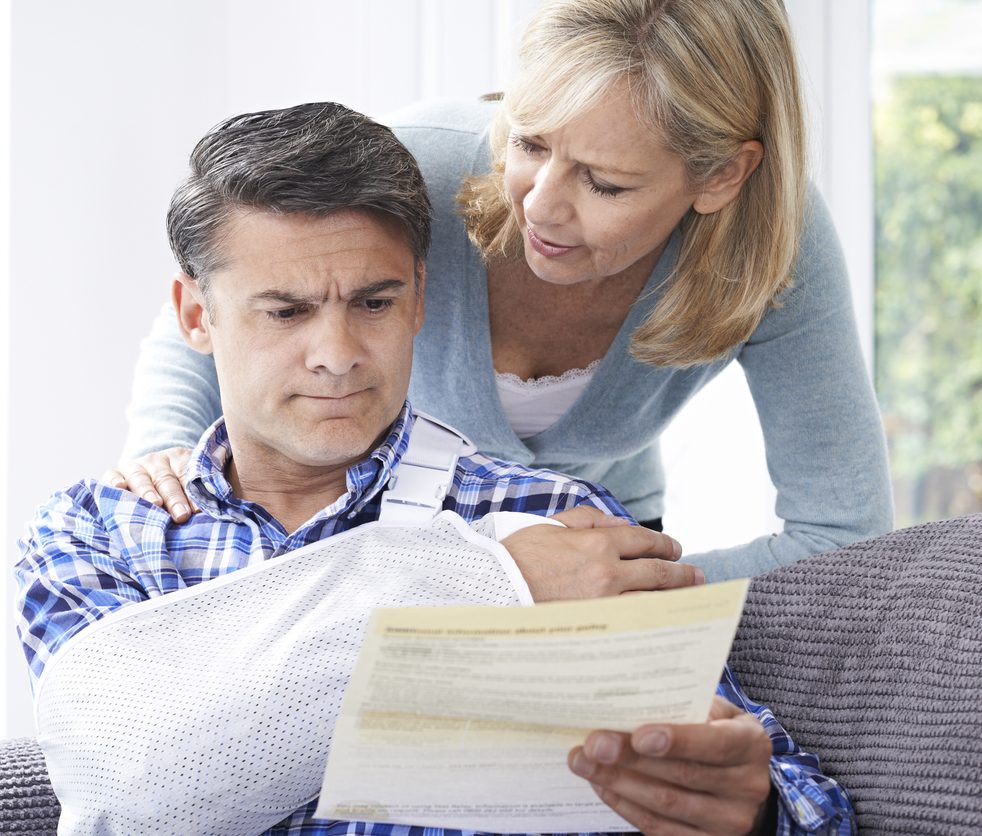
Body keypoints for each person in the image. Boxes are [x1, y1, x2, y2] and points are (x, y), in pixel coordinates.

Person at [14, 102, 853, 835]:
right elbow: (127, 792)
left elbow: (802, 796)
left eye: (374, 302)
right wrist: (491, 583)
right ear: (197, 315)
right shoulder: (99, 536)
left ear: (419, 298)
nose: (337, 354)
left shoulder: (564, 523)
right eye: (287, 311)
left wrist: (752, 812)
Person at [111, 0, 893, 581]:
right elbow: (223, 298)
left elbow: (843, 533)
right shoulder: (419, 167)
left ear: (721, 176)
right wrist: (164, 459)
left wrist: (628, 592)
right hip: (381, 536)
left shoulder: (776, 249)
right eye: (529, 142)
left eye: (605, 183)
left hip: (599, 544)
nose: (540, 207)